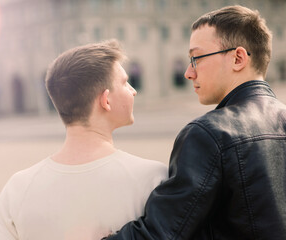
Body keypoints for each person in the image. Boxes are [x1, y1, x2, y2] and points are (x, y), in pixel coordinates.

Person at [105, 5, 286, 240]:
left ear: (238, 58)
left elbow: (161, 234)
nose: (188, 72)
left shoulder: (210, 134)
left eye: (196, 58)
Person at [0, 40, 168, 240]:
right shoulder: (153, 179)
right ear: (106, 100)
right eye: (124, 83)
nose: (132, 90)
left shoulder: (17, 189)